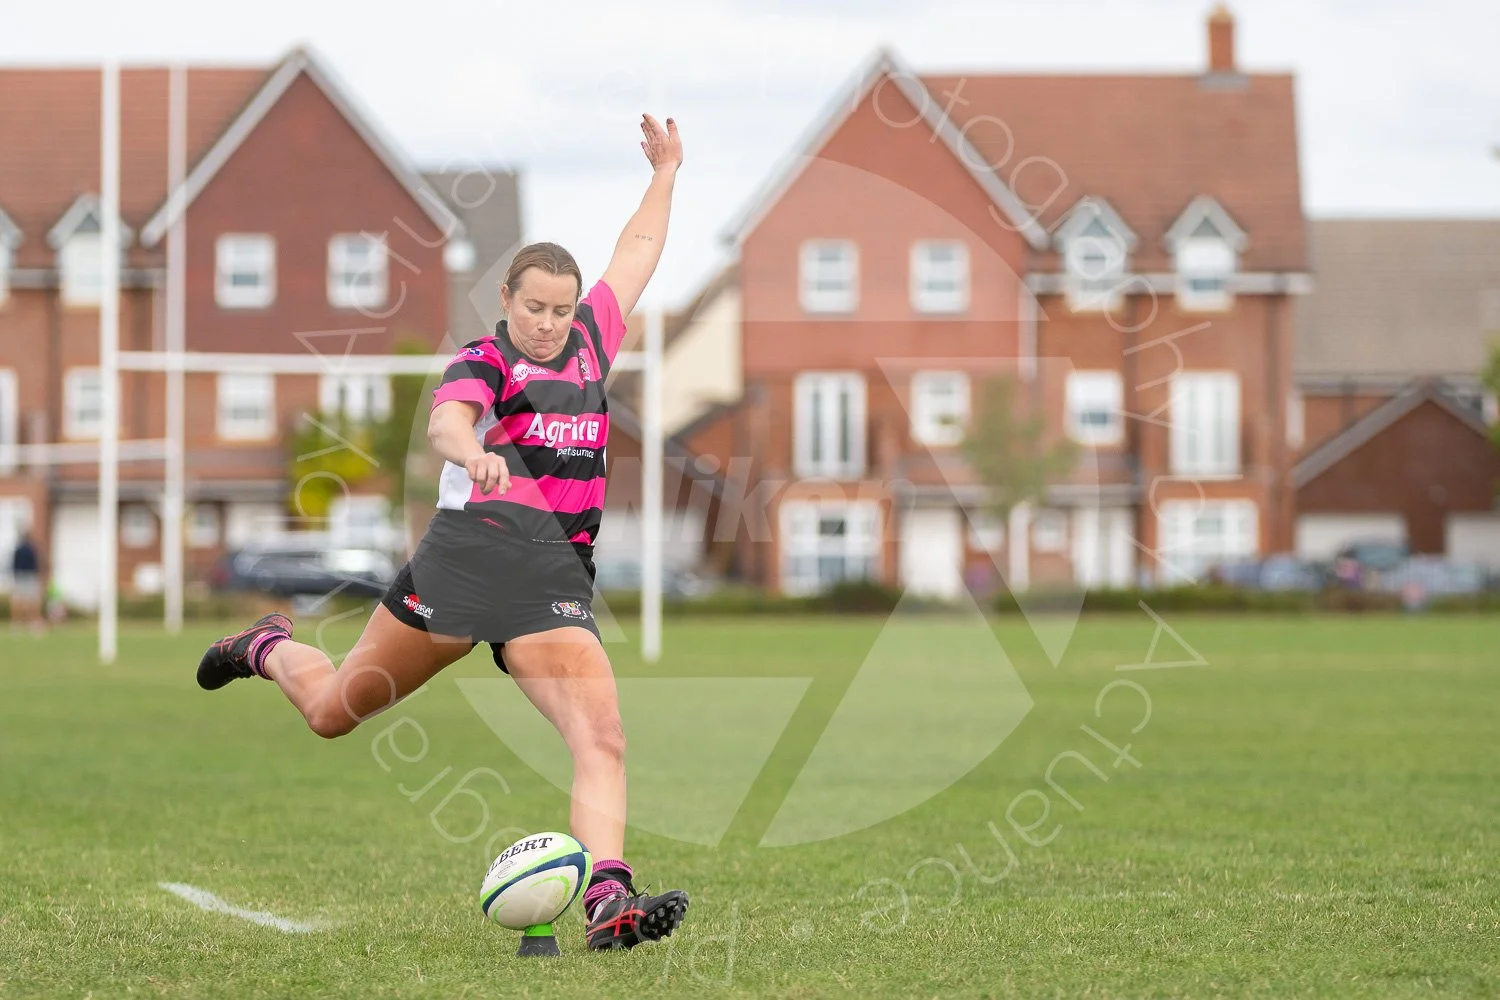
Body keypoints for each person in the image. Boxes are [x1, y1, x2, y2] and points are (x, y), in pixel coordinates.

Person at [197, 114, 687, 951]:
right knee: (332, 712)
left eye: (562, 310)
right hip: (462, 568)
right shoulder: (482, 361)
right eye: (534, 306)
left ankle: (609, 897)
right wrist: (479, 453)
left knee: (602, 734)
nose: (549, 322)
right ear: (505, 300)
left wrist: (667, 173)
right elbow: (448, 428)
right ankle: (270, 647)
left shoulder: (591, 345)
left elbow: (635, 253)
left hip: (549, 584)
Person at [10, 531, 44, 633]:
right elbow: (36, 564)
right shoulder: (32, 550)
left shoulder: (17, 550)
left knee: (18, 601)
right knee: (32, 601)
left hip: (19, 576)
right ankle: (33, 622)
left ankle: (16, 623)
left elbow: (13, 565)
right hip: (30, 576)